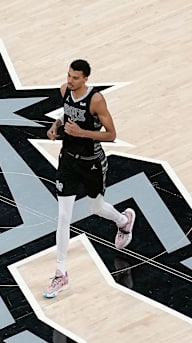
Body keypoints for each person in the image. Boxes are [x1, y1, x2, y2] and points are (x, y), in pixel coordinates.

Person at [43, 59, 135, 298]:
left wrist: (81, 133)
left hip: (91, 162)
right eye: (68, 75)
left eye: (75, 77)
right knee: (64, 216)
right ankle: (60, 273)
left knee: (96, 207)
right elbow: (66, 115)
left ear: (85, 79)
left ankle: (123, 220)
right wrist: (55, 127)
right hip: (68, 161)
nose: (69, 80)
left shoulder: (96, 99)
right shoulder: (65, 90)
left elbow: (112, 135)